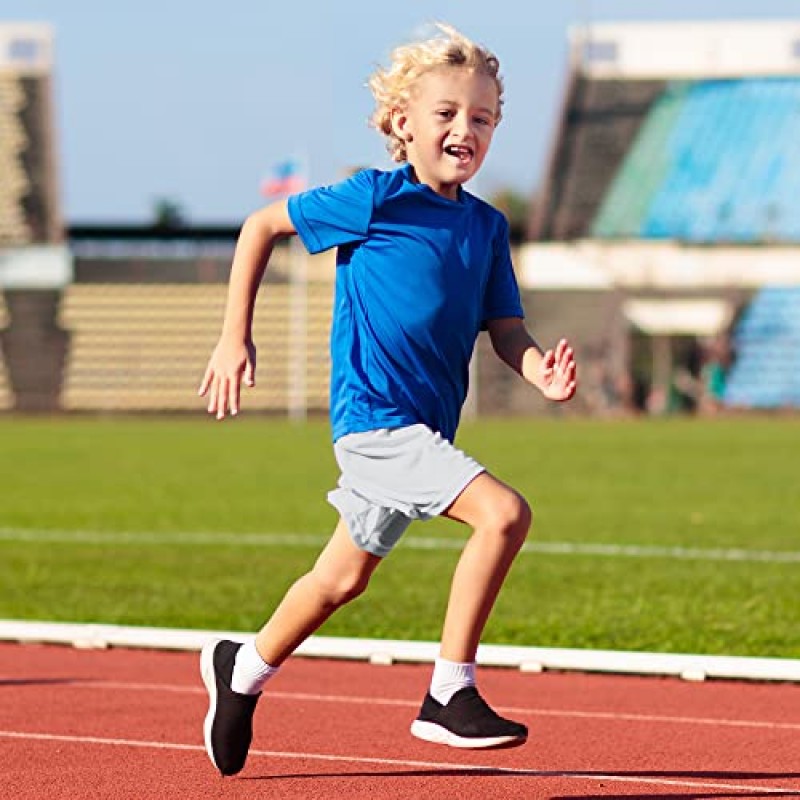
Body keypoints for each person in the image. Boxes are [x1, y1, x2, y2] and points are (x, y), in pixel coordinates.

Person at [197, 22, 578, 777]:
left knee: (341, 579)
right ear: (402, 123)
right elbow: (261, 226)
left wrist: (537, 371)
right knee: (504, 514)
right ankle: (448, 691)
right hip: (375, 422)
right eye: (446, 114)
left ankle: (242, 669)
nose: (464, 130)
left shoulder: (487, 227)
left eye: (482, 118)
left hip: (423, 430)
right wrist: (233, 336)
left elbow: (506, 328)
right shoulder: (373, 199)